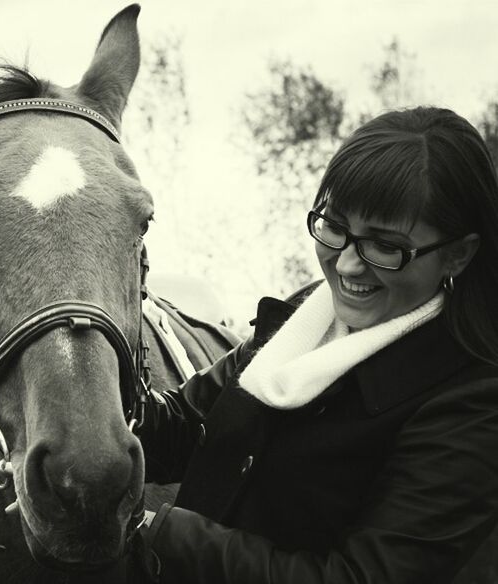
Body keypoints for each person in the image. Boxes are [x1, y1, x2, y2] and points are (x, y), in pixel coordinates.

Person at [132, 106, 498, 583]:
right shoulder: (308, 313)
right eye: (335, 227)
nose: (346, 266)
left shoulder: (472, 402)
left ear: (458, 253)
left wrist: (159, 534)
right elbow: (185, 423)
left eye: (386, 246)